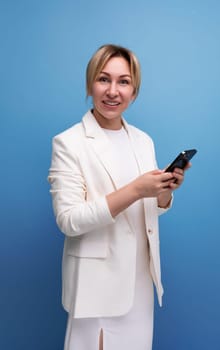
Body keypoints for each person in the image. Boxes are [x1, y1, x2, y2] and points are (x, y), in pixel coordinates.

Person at [48, 44, 190, 350]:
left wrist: (163, 192)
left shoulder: (142, 140)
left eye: (123, 82)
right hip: (95, 286)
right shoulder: (69, 143)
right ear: (90, 84)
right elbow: (68, 220)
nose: (113, 91)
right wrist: (136, 190)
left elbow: (145, 210)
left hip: (140, 282)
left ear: (134, 91)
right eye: (104, 79)